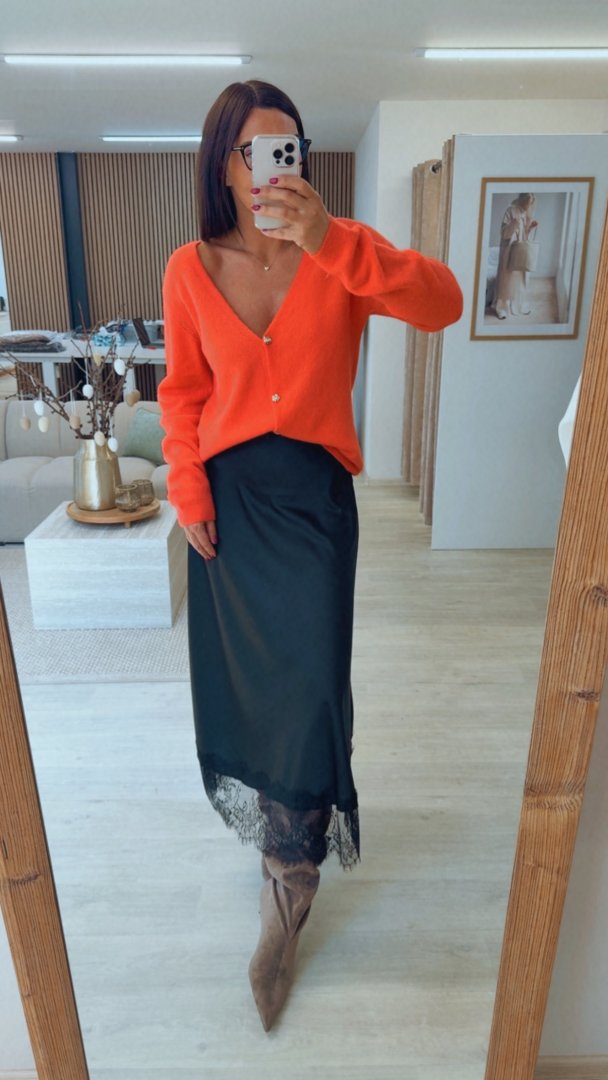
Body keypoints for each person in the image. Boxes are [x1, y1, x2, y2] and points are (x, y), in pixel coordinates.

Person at [157, 79, 463, 1032]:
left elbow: (444, 302)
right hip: (230, 511)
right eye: (253, 150)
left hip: (316, 506)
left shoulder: (342, 251)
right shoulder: (187, 269)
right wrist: (187, 486)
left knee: (315, 689)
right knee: (256, 688)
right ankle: (283, 865)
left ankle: (294, 877)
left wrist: (332, 239)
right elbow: (182, 393)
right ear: (223, 164)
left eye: (286, 147)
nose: (269, 167)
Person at [493, 193, 539, 319]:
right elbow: (504, 233)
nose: (529, 205)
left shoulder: (526, 213)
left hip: (520, 251)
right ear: (523, 199)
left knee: (520, 278)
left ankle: (517, 305)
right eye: (528, 202)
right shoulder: (510, 210)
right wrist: (514, 223)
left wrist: (530, 228)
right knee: (506, 279)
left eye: (531, 203)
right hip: (509, 250)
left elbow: (524, 236)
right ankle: (502, 308)